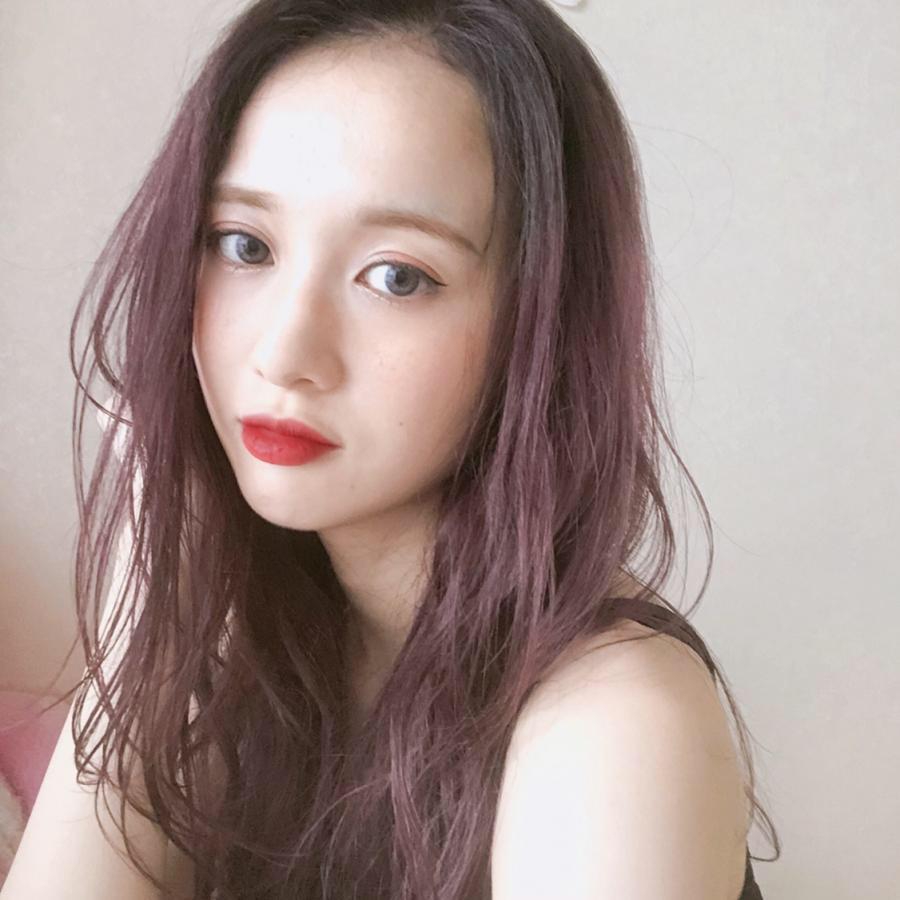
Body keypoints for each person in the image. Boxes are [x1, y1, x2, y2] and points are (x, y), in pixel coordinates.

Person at [3, 1, 779, 898]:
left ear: (540, 324)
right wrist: (145, 623)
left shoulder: (613, 725)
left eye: (398, 276)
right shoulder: (264, 641)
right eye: (244, 245)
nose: (283, 353)